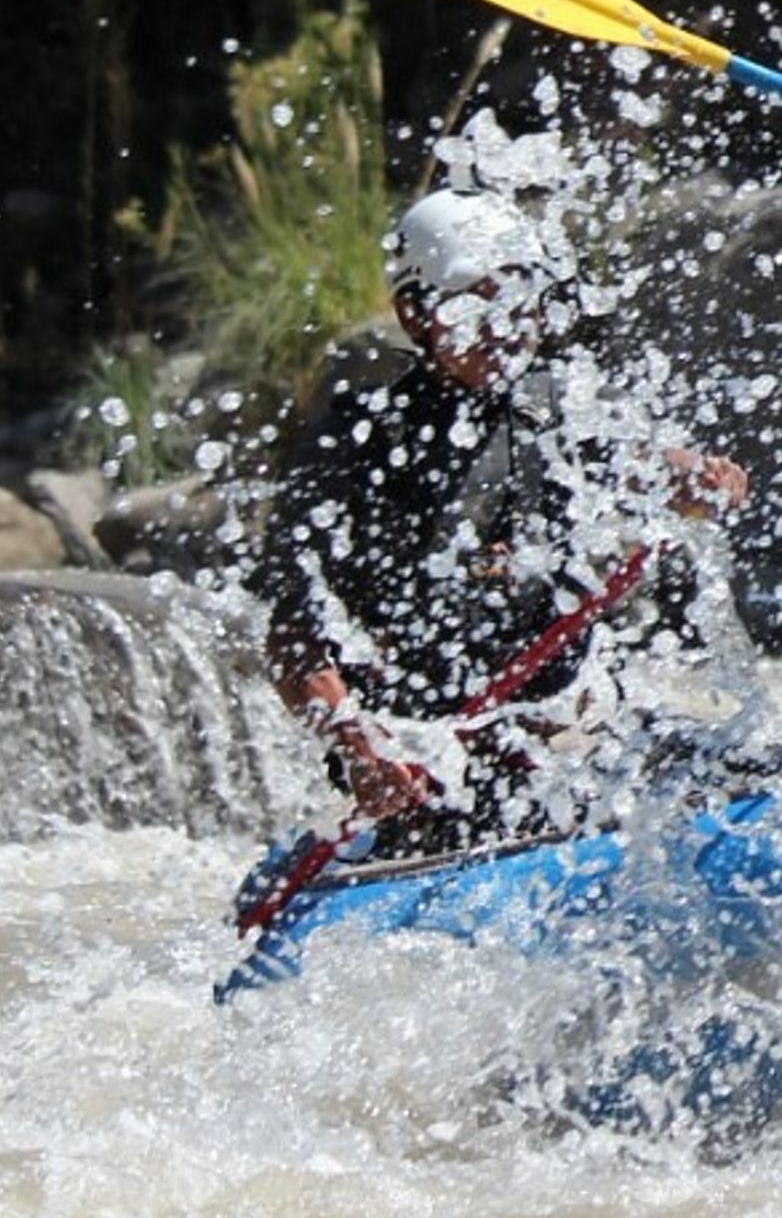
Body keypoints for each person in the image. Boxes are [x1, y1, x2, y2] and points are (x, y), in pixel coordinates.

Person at [257, 185, 746, 853]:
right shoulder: (354, 443)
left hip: (570, 722)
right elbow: (292, 633)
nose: (506, 327)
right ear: (416, 313)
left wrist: (702, 480)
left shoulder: (561, 404)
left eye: (522, 303)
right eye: (476, 305)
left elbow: (655, 469)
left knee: (749, 771)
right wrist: (358, 743)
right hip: (430, 756)